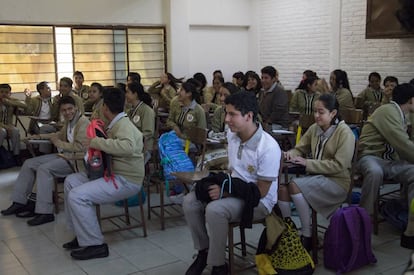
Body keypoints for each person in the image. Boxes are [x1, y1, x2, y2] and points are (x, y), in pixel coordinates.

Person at [183, 91, 281, 275]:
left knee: (215, 210)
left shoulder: (268, 147)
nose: (226, 119)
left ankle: (218, 265)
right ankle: (204, 251)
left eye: (232, 114)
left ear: (249, 116)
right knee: (190, 201)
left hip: (259, 201)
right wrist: (217, 184)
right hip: (234, 188)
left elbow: (261, 192)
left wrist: (224, 192)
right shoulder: (232, 135)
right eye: (226, 113)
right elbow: (233, 170)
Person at [62, 87, 145, 260]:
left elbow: (128, 147)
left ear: (105, 107)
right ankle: (82, 234)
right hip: (112, 172)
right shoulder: (115, 123)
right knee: (71, 181)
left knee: (78, 196)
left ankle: (95, 244)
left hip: (125, 179)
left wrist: (96, 142)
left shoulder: (123, 124)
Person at [279, 93, 355, 250]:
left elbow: (339, 165)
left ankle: (308, 235)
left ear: (333, 113)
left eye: (321, 112)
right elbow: (300, 149)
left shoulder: (344, 132)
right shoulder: (315, 129)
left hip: (337, 182)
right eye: (315, 111)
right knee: (282, 190)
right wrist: (289, 155)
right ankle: (290, 232)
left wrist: (308, 163)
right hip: (316, 179)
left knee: (293, 185)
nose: (316, 116)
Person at [0, 96, 89, 225]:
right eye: (64, 110)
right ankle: (19, 201)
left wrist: (58, 143)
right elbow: (57, 135)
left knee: (44, 169)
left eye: (70, 109)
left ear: (75, 108)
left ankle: (45, 212)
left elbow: (80, 147)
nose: (67, 112)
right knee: (29, 163)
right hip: (64, 156)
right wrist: (38, 136)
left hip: (76, 160)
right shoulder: (69, 121)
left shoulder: (83, 122)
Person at [356, 83, 414, 249]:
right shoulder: (388, 111)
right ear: (411, 100)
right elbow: (403, 144)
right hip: (370, 156)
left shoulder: (403, 113)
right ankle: (363, 220)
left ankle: (410, 228)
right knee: (374, 172)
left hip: (389, 161)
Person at [125, 81, 155, 163]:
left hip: (143, 146)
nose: (125, 95)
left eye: (128, 92)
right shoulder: (130, 110)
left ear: (135, 94)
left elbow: (148, 132)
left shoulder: (146, 110)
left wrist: (133, 138)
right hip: (131, 144)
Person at [258, 66, 289, 130]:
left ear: (274, 79)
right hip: (266, 124)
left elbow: (278, 111)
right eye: (262, 78)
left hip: (279, 126)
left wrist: (265, 123)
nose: (263, 80)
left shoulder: (279, 92)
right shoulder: (262, 92)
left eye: (266, 78)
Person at [0, 83, 25, 163]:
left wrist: (9, 102)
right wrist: (6, 127)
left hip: (8, 126)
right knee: (2, 131)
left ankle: (16, 156)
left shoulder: (11, 100)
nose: (4, 94)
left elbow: (25, 105)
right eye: (1, 92)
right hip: (2, 127)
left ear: (10, 93)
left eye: (6, 92)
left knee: (16, 131)